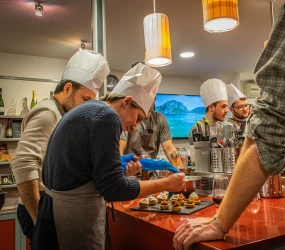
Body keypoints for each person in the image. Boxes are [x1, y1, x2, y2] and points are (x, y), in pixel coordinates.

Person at [173, 0, 285, 249]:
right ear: (210, 108)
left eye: (231, 106)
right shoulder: (198, 128)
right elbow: (265, 140)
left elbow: (265, 140)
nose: (232, 111)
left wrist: (219, 223)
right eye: (226, 106)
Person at [33, 62, 185, 250]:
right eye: (137, 117)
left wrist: (118, 166)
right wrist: (166, 184)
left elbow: (84, 168)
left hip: (51, 216)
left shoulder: (92, 109)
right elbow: (113, 189)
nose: (135, 126)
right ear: (126, 101)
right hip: (70, 222)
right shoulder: (107, 117)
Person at [10, 49, 110, 245]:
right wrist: (39, 219)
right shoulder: (48, 114)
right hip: (40, 206)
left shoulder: (64, 115)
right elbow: (23, 164)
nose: (87, 108)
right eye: (85, 100)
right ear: (67, 89)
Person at [188, 78, 228, 143]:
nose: (226, 110)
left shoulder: (221, 127)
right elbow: (195, 151)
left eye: (226, 106)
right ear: (211, 107)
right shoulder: (198, 128)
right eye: (223, 107)